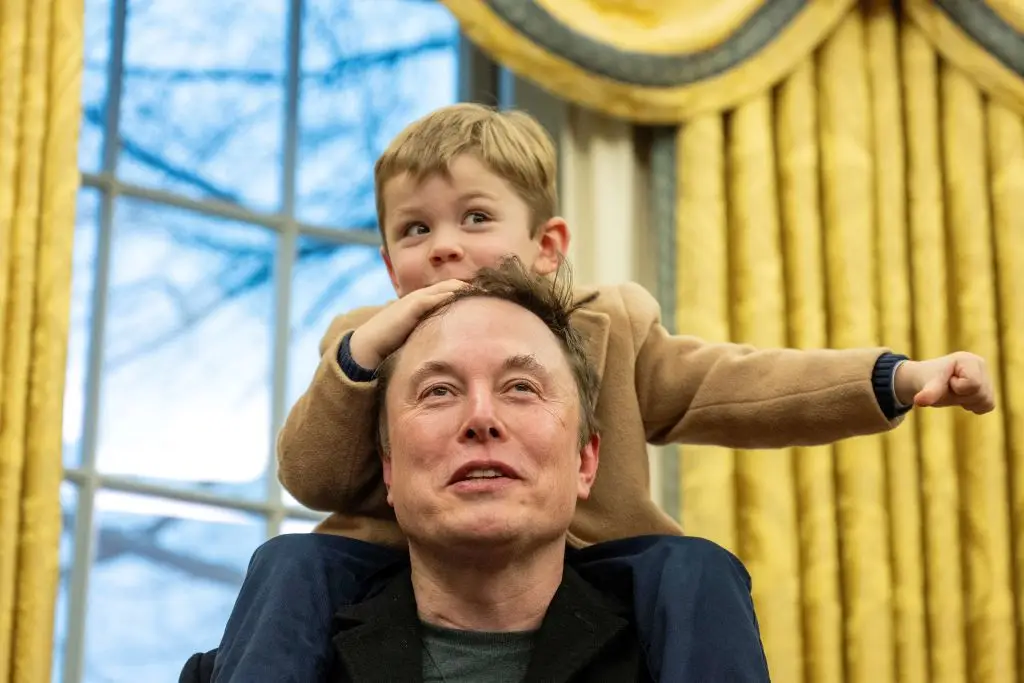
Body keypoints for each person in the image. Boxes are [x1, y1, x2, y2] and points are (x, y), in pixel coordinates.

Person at [203, 103, 995, 682]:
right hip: (401, 574)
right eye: (414, 231)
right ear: (388, 262)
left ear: (547, 247)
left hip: (600, 576)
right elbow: (310, 476)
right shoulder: (369, 337)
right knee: (288, 563)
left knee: (695, 568)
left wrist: (893, 379)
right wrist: (361, 358)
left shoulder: (608, 324)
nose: (444, 247)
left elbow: (737, 385)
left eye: (475, 218)